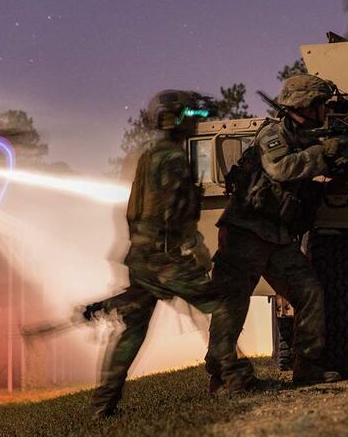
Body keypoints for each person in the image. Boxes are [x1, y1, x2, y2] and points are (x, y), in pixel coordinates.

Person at [205, 74, 348, 386]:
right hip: (246, 232)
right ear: (306, 105)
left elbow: (342, 166)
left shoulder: (312, 137)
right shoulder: (275, 133)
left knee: (310, 293)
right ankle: (223, 375)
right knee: (232, 304)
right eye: (322, 104)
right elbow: (281, 168)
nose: (326, 111)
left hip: (278, 237)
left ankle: (308, 367)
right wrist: (322, 152)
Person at [89, 90, 256, 418]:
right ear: (178, 121)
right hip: (163, 258)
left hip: (140, 256)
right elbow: (170, 212)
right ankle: (236, 378)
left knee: (133, 329)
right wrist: (185, 251)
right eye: (191, 118)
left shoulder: (149, 155)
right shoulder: (175, 159)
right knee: (221, 304)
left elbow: (136, 210)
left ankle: (102, 405)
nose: (196, 123)